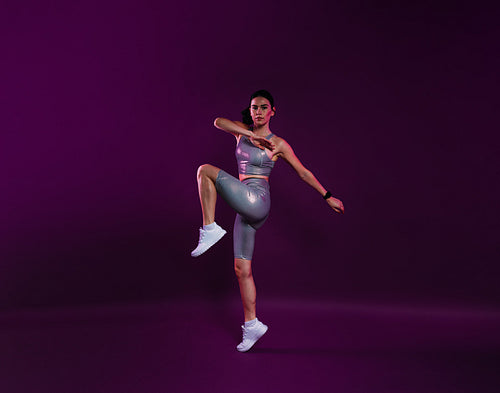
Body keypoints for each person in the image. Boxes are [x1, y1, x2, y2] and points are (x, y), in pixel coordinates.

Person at [191, 90, 344, 352]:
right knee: (242, 270)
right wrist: (250, 135)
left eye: (263, 107)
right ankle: (252, 326)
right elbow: (218, 121)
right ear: (250, 111)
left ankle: (210, 227)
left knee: (205, 171)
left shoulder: (278, 144)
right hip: (244, 203)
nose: (258, 112)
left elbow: (303, 172)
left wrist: (327, 195)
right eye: (254, 108)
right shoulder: (241, 132)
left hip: (258, 200)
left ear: (273, 110)